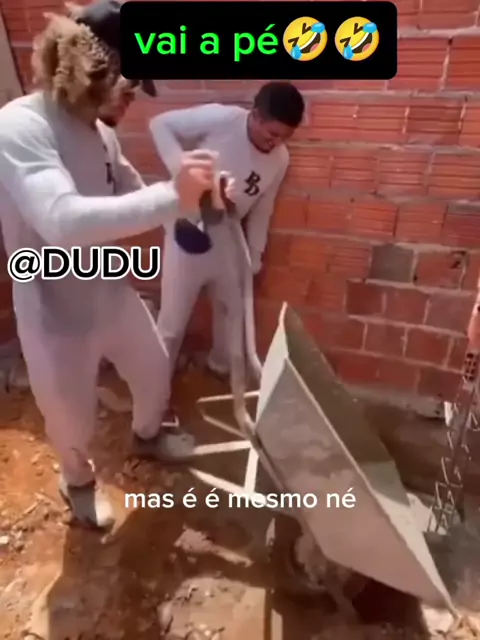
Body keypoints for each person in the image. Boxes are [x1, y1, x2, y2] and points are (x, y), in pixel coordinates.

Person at [0, 0, 227, 530]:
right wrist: (173, 198)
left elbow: (131, 192)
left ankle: (147, 435)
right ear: (91, 70)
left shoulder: (100, 131)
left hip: (108, 285)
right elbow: (62, 220)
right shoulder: (20, 126)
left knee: (153, 371)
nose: (133, 98)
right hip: (54, 306)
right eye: (129, 86)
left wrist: (197, 199)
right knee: (71, 418)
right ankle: (77, 481)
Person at [149, 82, 304, 401]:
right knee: (173, 323)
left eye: (285, 137)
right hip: (188, 230)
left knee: (232, 314)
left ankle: (220, 370)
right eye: (272, 134)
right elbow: (159, 124)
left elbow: (263, 208)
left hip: (228, 235)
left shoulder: (280, 158)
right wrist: (185, 170)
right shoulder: (223, 119)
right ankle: (154, 389)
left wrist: (255, 257)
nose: (276, 143)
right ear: (256, 116)